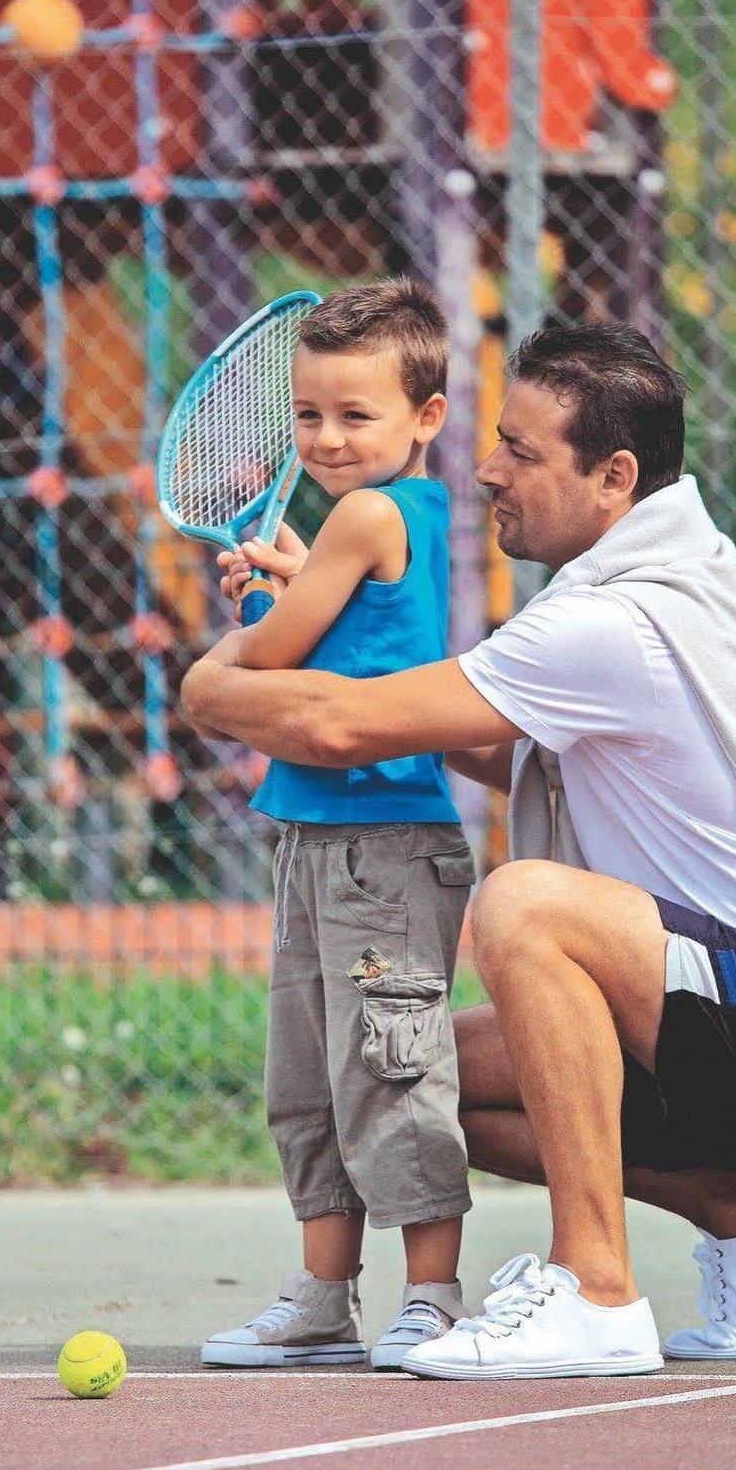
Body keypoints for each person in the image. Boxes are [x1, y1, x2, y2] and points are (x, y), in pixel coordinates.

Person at [183, 321, 736, 1379]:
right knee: (404, 1076)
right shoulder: (676, 576)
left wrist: (219, 680)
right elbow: (480, 739)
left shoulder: (614, 622)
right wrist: (318, 608)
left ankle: (596, 1291)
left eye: (521, 452)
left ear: (611, 476)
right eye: (496, 439)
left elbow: (342, 729)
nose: (488, 469)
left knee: (524, 905)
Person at [200, 278, 478, 1372]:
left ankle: (434, 1299)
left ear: (426, 419)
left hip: (383, 846)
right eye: (308, 414)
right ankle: (323, 1298)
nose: (325, 437)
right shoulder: (360, 524)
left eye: (355, 416)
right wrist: (286, 580)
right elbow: (342, 632)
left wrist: (250, 622)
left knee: (392, 1068)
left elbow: (272, 662)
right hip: (317, 838)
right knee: (309, 1078)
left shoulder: (368, 513)